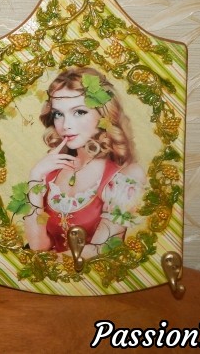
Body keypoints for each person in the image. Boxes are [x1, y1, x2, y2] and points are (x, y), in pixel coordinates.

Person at [23, 67, 145, 258]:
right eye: (58, 114)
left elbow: (100, 252)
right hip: (48, 275)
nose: (66, 125)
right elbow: (38, 246)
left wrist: (46, 262)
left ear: (104, 114)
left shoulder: (125, 176)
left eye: (79, 112)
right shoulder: (50, 172)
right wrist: (35, 177)